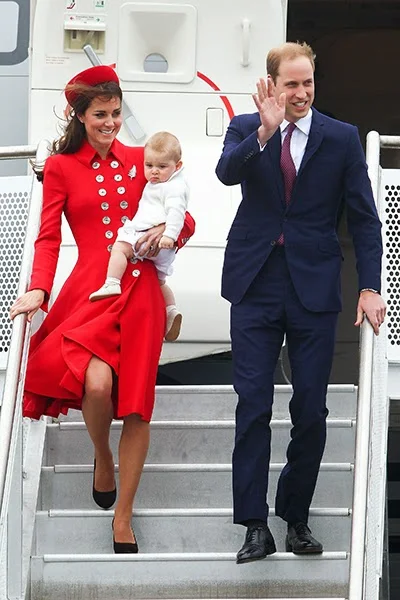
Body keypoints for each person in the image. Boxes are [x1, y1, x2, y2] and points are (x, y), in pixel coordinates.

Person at [9, 65, 195, 553]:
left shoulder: (143, 159)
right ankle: (101, 457)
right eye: (100, 115)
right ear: (80, 115)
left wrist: (167, 234)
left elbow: (183, 208)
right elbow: (48, 239)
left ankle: (124, 516)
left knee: (136, 405)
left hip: (142, 292)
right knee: (95, 383)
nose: (110, 123)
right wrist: (40, 291)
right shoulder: (61, 168)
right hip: (92, 287)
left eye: (115, 113)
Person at [215, 41, 386, 564]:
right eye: (291, 84)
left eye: (308, 82)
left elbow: (364, 216)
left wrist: (370, 285)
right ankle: (254, 526)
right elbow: (226, 173)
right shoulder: (248, 128)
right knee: (253, 407)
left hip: (313, 288)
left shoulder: (339, 138)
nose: (302, 93)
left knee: (311, 410)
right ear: (271, 84)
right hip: (255, 284)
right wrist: (265, 133)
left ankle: (295, 516)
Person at [89, 131, 189, 342]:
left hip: (146, 238)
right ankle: (171, 311)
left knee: (120, 248)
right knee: (161, 282)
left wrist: (169, 234)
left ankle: (111, 281)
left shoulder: (172, 187)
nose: (154, 172)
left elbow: (179, 214)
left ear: (177, 166)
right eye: (149, 166)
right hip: (162, 249)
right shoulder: (168, 182)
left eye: (161, 167)